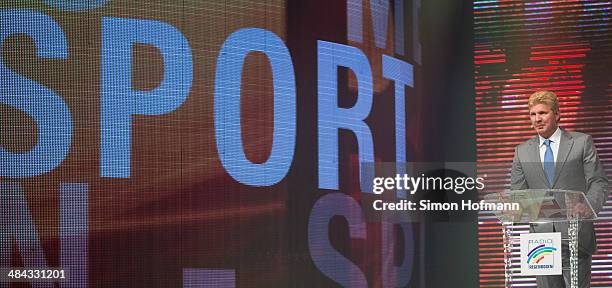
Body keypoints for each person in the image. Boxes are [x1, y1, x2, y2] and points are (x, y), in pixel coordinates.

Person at [511, 90, 609, 288]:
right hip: (540, 240)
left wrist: (588, 205)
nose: (537, 119)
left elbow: (599, 181)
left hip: (576, 233)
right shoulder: (522, 151)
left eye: (543, 113)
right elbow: (518, 194)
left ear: (556, 114)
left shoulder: (581, 142)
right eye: (533, 114)